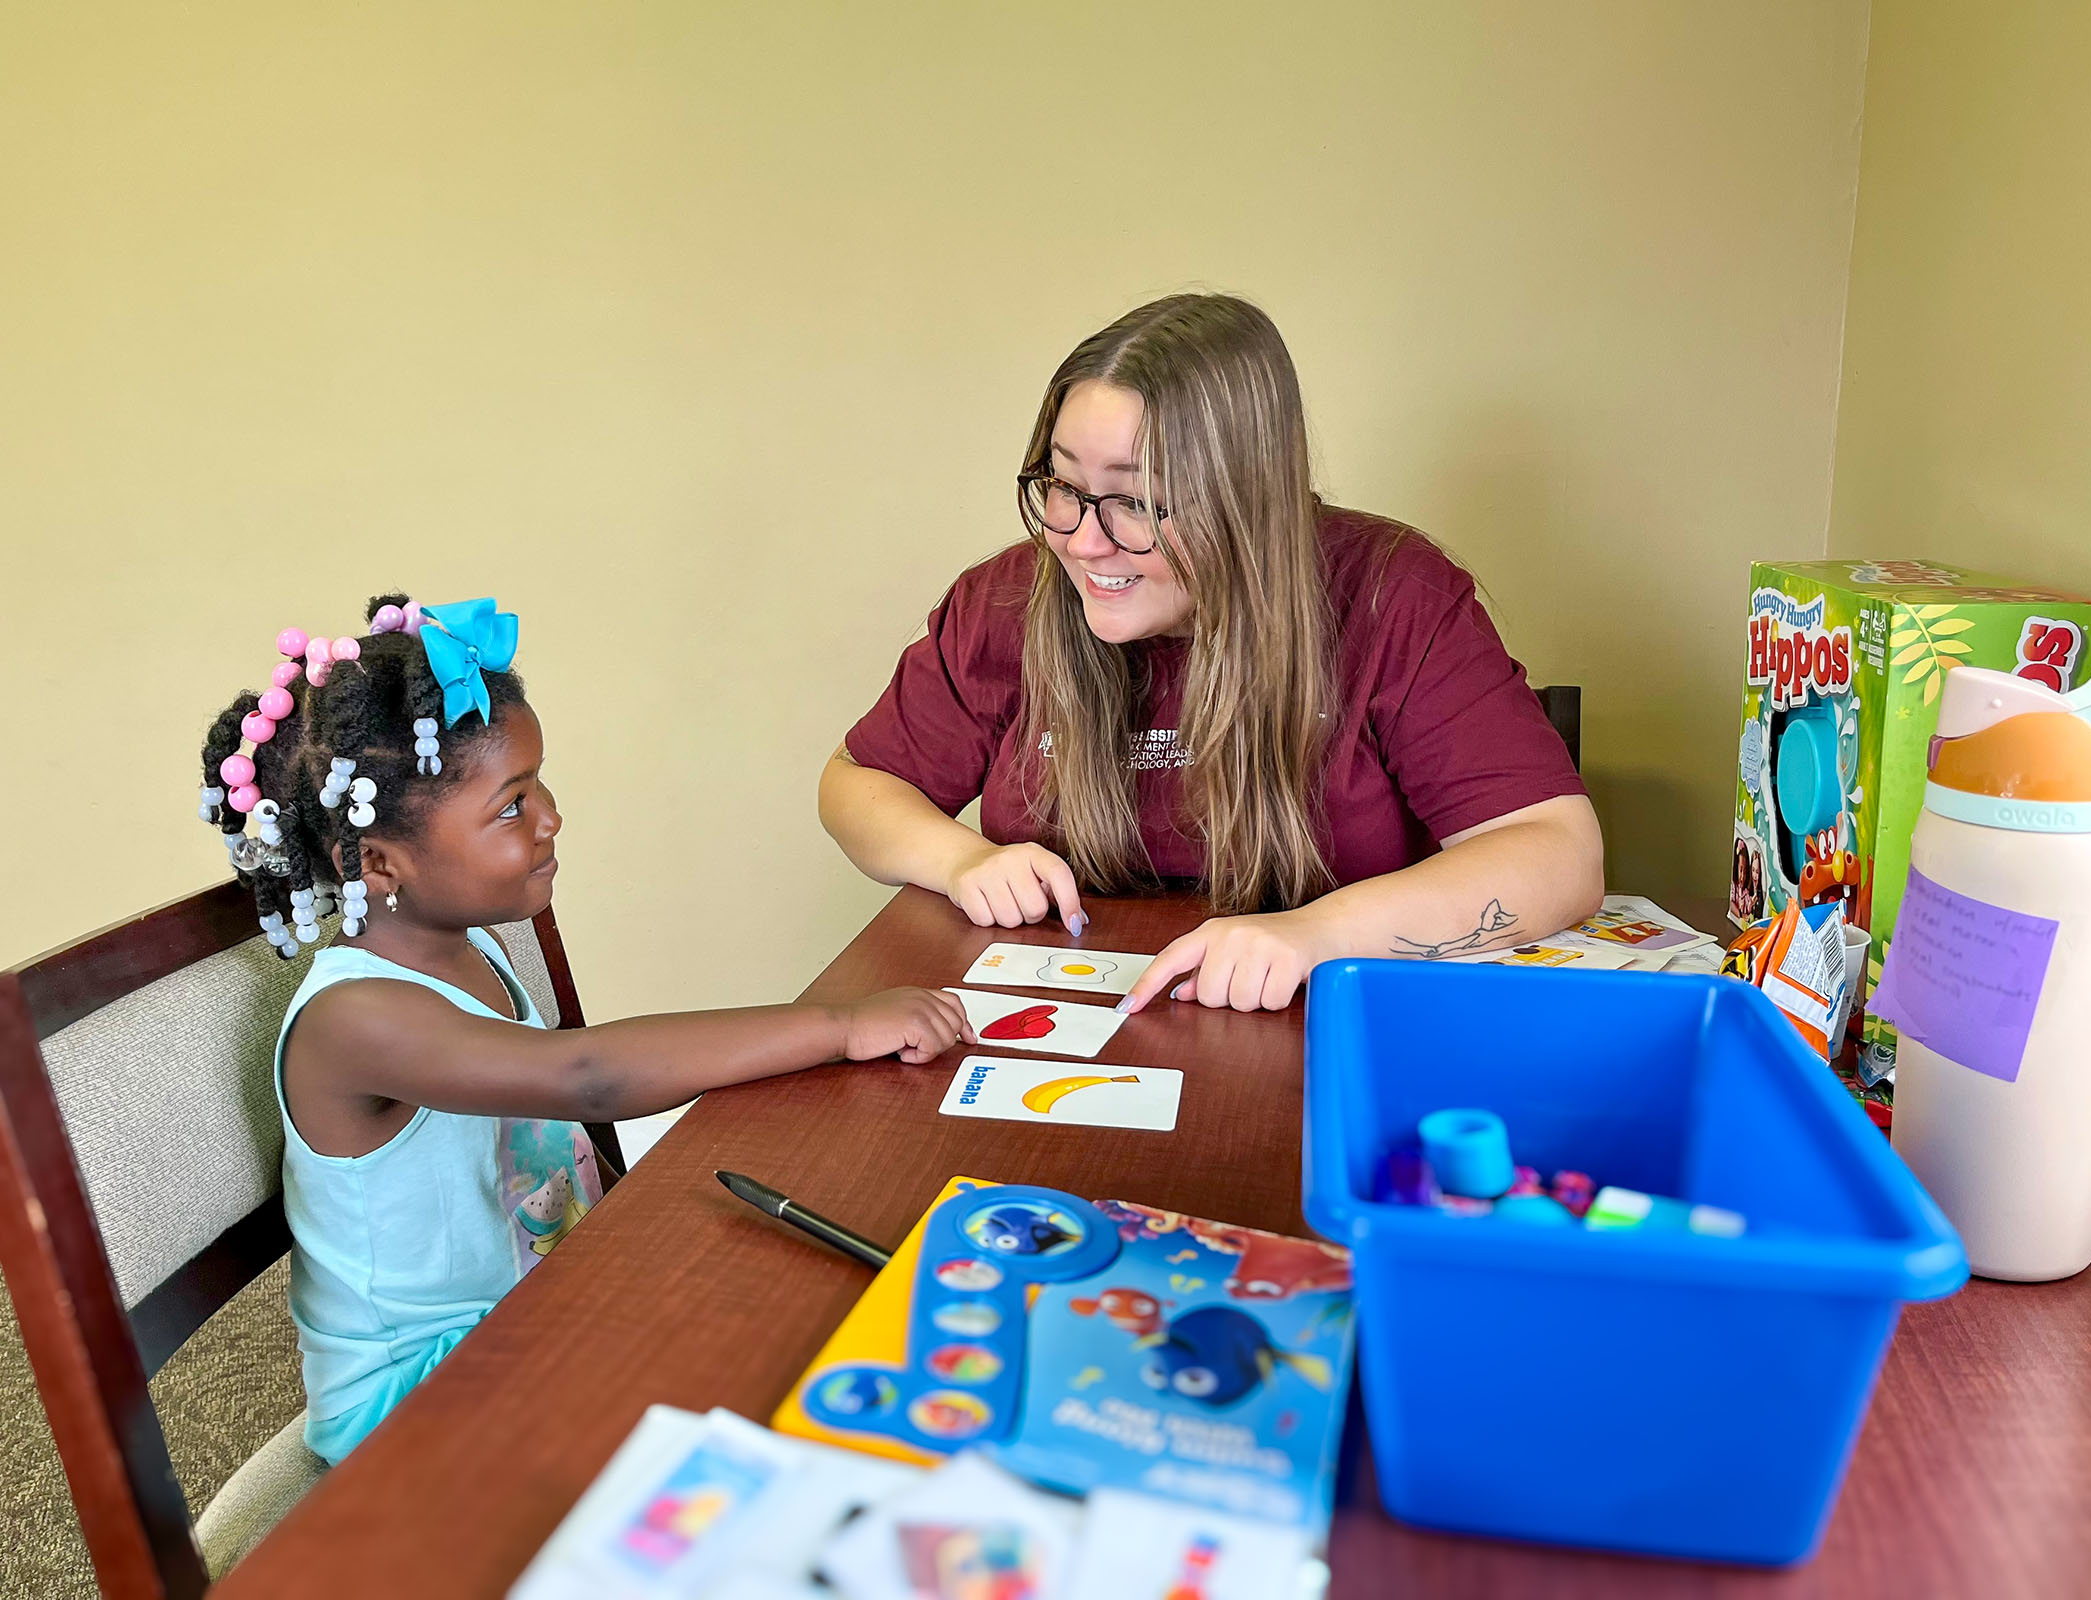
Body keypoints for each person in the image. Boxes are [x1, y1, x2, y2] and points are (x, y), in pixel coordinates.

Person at [197, 593, 969, 1463]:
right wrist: (837, 1023)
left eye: (538, 784)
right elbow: (585, 1076)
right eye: (510, 806)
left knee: (798, 1331)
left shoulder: (472, 948)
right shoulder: (354, 1019)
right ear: (380, 864)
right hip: (416, 1402)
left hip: (546, 1307)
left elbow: (554, 1143)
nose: (551, 816)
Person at [819, 294, 1603, 1014]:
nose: (1084, 542)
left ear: (1246, 498)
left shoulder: (1392, 595)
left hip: (1331, 1027)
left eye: (1135, 501)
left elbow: (1559, 855)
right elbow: (855, 786)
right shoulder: (1005, 600)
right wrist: (958, 860)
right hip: (1080, 1022)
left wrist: (1316, 935)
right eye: (1062, 486)